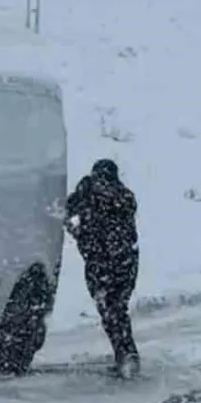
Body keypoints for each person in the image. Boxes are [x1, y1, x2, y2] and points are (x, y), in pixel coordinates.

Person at [65, 158, 141, 379]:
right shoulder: (120, 197)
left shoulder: (100, 197)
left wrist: (75, 230)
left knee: (111, 311)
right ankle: (126, 354)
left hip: (106, 264)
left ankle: (126, 356)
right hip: (121, 263)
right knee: (115, 311)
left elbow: (71, 217)